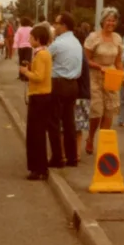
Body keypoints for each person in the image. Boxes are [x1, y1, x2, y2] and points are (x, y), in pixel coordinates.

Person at [84, 6, 124, 155]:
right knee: (96, 112)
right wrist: (99, 67)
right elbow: (86, 59)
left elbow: (118, 62)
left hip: (111, 77)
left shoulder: (117, 38)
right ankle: (90, 138)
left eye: (113, 20)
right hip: (95, 77)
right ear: (102, 21)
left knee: (109, 112)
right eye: (108, 20)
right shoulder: (93, 37)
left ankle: (103, 143)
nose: (111, 23)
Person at [47, 12, 82, 168]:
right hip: (73, 84)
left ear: (64, 26)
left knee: (54, 122)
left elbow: (44, 58)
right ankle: (72, 157)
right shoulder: (76, 42)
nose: (54, 26)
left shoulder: (58, 44)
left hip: (58, 83)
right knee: (69, 122)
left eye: (56, 23)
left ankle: (57, 157)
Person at [20, 24, 53, 181]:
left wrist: (26, 72)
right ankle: (40, 167)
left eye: (31, 38)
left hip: (39, 96)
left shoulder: (41, 55)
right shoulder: (43, 53)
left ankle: (38, 168)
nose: (29, 40)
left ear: (38, 39)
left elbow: (39, 76)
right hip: (43, 96)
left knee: (35, 134)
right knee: (37, 133)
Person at [14, 17, 33, 81]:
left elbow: (16, 39)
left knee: (21, 61)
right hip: (29, 47)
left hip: (21, 47)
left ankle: (21, 75)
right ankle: (27, 76)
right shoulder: (31, 29)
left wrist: (15, 46)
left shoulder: (19, 29)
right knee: (28, 62)